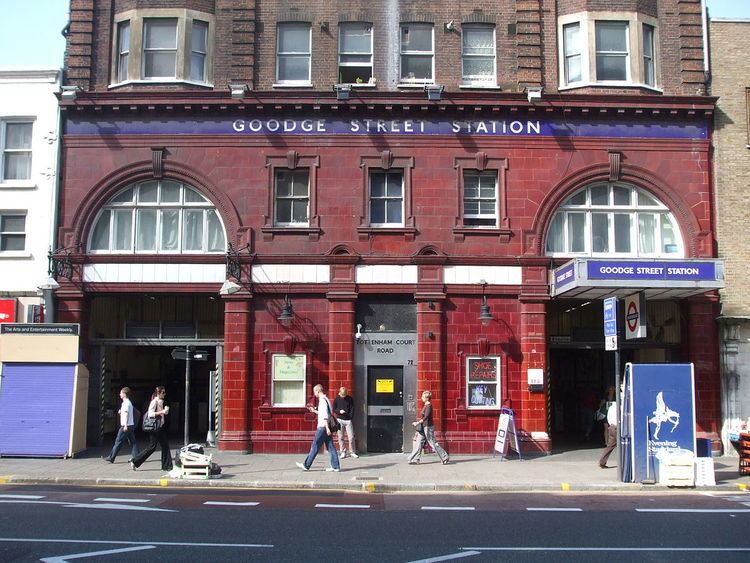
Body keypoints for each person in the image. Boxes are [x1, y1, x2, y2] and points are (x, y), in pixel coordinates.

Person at [296, 384, 341, 472]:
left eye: (314, 392)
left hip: (323, 427)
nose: (314, 394)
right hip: (325, 427)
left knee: (315, 446)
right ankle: (335, 466)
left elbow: (325, 416)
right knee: (330, 446)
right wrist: (314, 411)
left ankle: (306, 465)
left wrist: (327, 428)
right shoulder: (326, 399)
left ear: (318, 391)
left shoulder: (322, 401)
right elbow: (324, 413)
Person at [130, 386, 173, 472]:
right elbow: (150, 414)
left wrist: (165, 412)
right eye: (163, 392)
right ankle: (135, 461)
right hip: (155, 428)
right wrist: (162, 412)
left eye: (164, 392)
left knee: (164, 445)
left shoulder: (160, 402)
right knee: (152, 447)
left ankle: (166, 466)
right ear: (158, 393)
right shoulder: (154, 402)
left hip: (159, 427)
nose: (164, 394)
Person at [406, 390, 449, 465]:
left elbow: (426, 417)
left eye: (422, 397)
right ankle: (415, 459)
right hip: (423, 427)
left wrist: (417, 422)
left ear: (426, 398)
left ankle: (444, 457)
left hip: (428, 427)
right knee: (418, 443)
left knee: (432, 443)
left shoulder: (429, 406)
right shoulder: (426, 405)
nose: (421, 398)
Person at [103, 387, 139, 463]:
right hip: (131, 425)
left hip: (126, 426)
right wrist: (121, 412)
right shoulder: (128, 403)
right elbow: (127, 412)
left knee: (118, 441)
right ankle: (137, 457)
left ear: (124, 394)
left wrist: (125, 425)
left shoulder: (126, 403)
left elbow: (126, 414)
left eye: (121, 393)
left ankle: (111, 457)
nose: (120, 394)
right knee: (133, 442)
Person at [333, 386, 358, 458]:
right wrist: (339, 411)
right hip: (340, 419)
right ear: (339, 393)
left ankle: (352, 451)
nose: (343, 396)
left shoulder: (350, 399)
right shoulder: (337, 399)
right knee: (340, 436)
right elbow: (334, 409)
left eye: (344, 395)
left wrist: (350, 417)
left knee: (351, 437)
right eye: (342, 395)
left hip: (348, 420)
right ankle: (342, 451)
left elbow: (352, 408)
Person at [598, 398, 618, 468]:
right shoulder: (620, 407)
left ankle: (602, 462)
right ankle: (625, 462)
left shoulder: (611, 407)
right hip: (617, 427)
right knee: (625, 445)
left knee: (610, 446)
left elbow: (608, 418)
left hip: (612, 427)